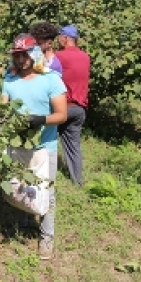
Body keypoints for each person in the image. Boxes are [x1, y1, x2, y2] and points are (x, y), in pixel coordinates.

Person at [1, 34, 67, 260]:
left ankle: (46, 237)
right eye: (17, 55)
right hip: (17, 143)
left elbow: (61, 114)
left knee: (47, 193)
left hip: (44, 145)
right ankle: (25, 220)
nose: (21, 59)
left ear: (35, 54)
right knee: (19, 186)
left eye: (26, 54)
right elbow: (3, 108)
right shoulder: (9, 80)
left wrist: (40, 120)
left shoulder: (51, 79)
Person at [55, 25, 90, 186]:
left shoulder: (59, 56)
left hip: (63, 108)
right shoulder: (85, 57)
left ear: (66, 38)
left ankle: (44, 177)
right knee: (73, 146)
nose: (57, 40)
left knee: (43, 140)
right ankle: (77, 181)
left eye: (59, 36)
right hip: (79, 110)